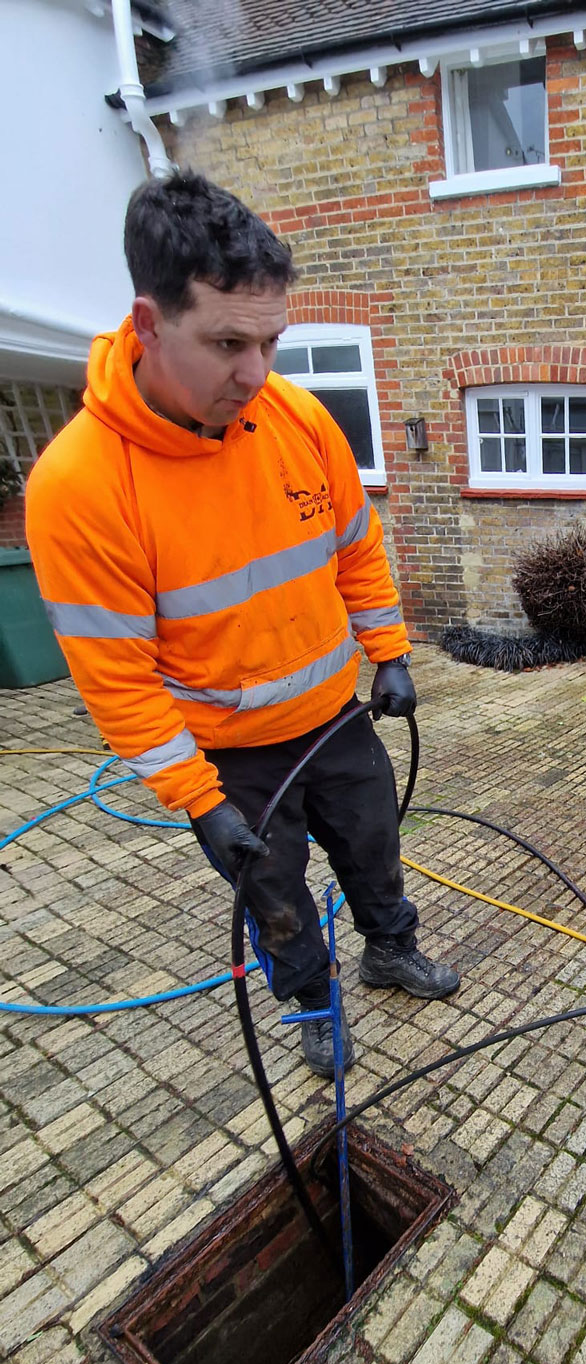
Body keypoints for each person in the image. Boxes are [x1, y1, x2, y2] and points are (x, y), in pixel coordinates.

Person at [25, 171, 458, 1078]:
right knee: (278, 900)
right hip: (231, 757)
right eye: (227, 343)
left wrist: (388, 653)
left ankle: (390, 949)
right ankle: (315, 1000)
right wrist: (199, 800)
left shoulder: (294, 419)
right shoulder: (80, 489)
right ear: (147, 324)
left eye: (270, 341)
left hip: (334, 720)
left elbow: (354, 548)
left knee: (376, 849)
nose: (255, 374)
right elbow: (118, 681)